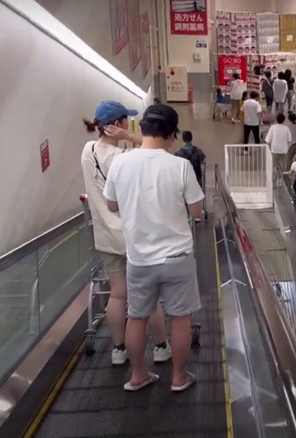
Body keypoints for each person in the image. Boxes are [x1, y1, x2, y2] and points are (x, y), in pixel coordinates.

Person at [103, 104, 204, 392]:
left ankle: (137, 376)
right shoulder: (180, 166)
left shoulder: (120, 163)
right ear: (172, 135)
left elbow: (111, 204)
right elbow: (196, 212)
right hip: (177, 257)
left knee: (137, 317)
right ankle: (179, 377)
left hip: (140, 258)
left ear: (142, 129)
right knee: (180, 318)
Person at [81, 101, 170, 367]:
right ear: (117, 125)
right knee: (147, 294)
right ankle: (161, 346)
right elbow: (156, 149)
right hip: (134, 236)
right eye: (126, 122)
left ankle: (118, 350)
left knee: (117, 294)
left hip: (107, 237)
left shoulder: (88, 151)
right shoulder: (122, 159)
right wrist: (131, 138)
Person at [265, 112, 293, 183]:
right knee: (283, 167)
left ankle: (273, 181)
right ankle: (283, 181)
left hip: (274, 149)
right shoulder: (286, 128)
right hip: (284, 150)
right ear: (283, 120)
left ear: (276, 120)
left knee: (274, 165)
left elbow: (267, 140)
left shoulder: (273, 127)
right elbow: (290, 139)